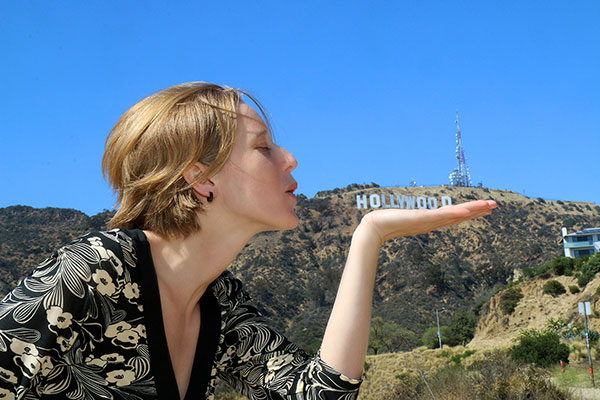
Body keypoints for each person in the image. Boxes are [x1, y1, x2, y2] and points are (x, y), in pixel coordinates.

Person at [0, 82, 496, 400]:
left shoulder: (220, 301)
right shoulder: (96, 271)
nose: (290, 158)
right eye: (263, 147)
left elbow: (318, 395)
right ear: (200, 176)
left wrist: (370, 235)